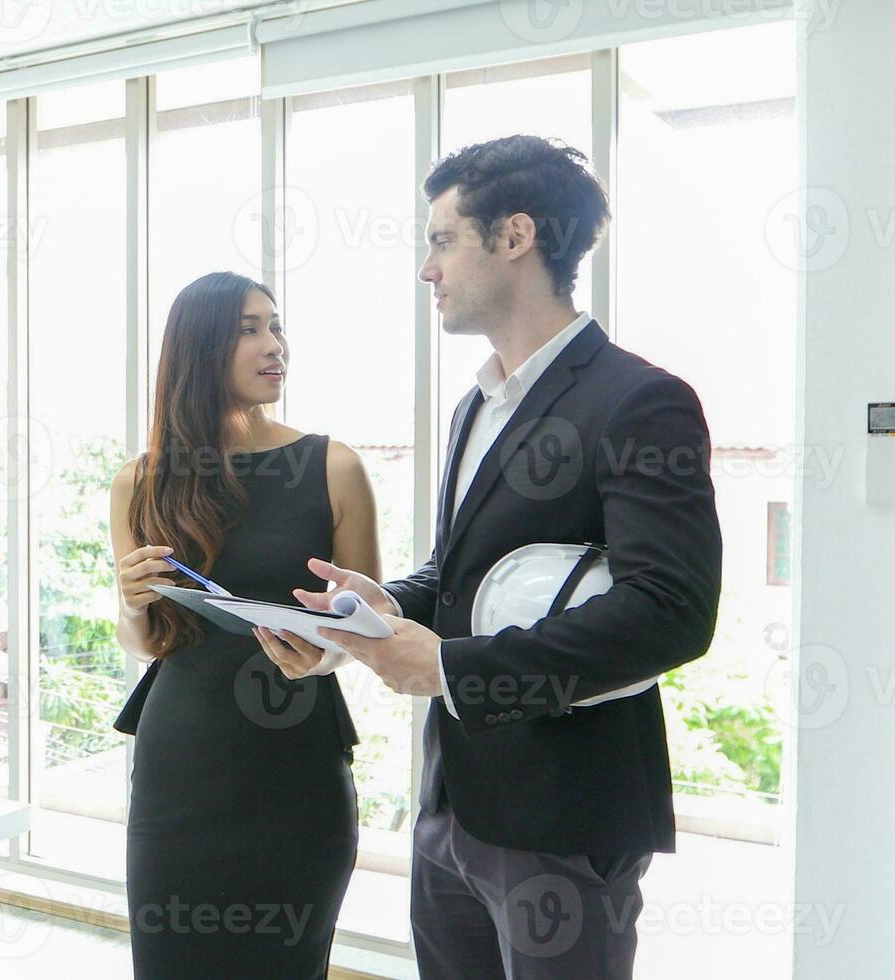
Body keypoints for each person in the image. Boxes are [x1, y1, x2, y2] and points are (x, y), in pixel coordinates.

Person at [259, 135, 722, 978]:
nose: (425, 270)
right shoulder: (477, 405)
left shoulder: (640, 401)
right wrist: (372, 613)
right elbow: (456, 575)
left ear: (514, 237)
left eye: (441, 241)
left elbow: (670, 611)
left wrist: (451, 671)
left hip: (566, 819)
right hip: (450, 810)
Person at [111, 271, 380, 979]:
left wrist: (321, 659)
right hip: (180, 769)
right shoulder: (140, 481)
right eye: (249, 329)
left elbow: (368, 624)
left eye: (276, 325)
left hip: (296, 766)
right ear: (198, 349)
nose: (274, 345)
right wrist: (133, 603)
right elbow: (147, 644)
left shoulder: (333, 466)